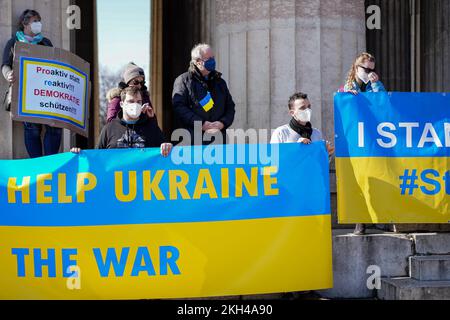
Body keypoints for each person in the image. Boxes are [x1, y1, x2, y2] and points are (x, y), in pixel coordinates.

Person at [2, 9, 62, 158]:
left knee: (54, 127)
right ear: (25, 23)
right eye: (35, 21)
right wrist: (8, 74)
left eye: (39, 21)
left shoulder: (45, 42)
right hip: (25, 93)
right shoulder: (14, 42)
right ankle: (37, 164)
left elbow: (55, 64)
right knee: (32, 129)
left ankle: (50, 161)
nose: (38, 24)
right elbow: (5, 64)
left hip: (46, 92)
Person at [342, 53, 390, 235]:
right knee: (357, 180)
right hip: (355, 141)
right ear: (356, 68)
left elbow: (384, 103)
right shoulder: (347, 87)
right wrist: (347, 96)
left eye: (372, 69)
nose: (369, 73)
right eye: (366, 69)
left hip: (374, 139)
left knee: (377, 177)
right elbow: (343, 109)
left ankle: (378, 219)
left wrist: (376, 84)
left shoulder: (374, 85)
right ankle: (360, 221)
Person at [71, 86, 172, 156]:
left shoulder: (151, 127)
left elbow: (166, 151)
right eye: (131, 101)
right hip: (116, 185)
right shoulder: (109, 128)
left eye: (138, 102)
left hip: (143, 185)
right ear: (122, 104)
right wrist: (79, 155)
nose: (135, 105)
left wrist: (168, 146)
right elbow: (96, 157)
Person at [172, 43, 235, 145]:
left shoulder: (220, 82)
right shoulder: (183, 80)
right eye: (209, 58)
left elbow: (230, 107)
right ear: (198, 62)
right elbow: (179, 107)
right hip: (193, 142)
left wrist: (222, 123)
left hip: (219, 141)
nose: (212, 61)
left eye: (213, 57)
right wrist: (201, 124)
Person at [270, 92, 335, 159]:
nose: (307, 110)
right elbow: (274, 160)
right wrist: (296, 147)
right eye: (302, 108)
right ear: (292, 113)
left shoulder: (316, 133)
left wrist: (327, 153)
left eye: (309, 107)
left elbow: (319, 163)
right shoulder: (281, 132)